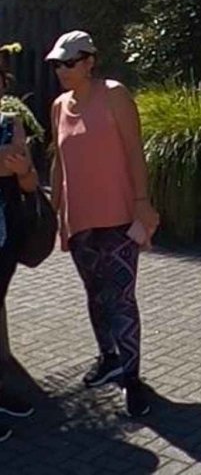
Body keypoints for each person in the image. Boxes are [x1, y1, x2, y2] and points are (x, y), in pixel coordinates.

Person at [47, 31, 158, 419]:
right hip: (81, 222)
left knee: (122, 297)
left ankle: (132, 378)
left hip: (118, 217)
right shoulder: (59, 105)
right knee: (95, 294)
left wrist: (142, 203)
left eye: (69, 62)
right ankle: (109, 358)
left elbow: (134, 152)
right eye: (57, 64)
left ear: (89, 61)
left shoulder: (114, 95)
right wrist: (55, 211)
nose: (62, 70)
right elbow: (59, 163)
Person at [0, 55, 41, 442]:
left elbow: (27, 180)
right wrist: (9, 163)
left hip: (4, 240)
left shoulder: (10, 123)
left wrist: (23, 169)